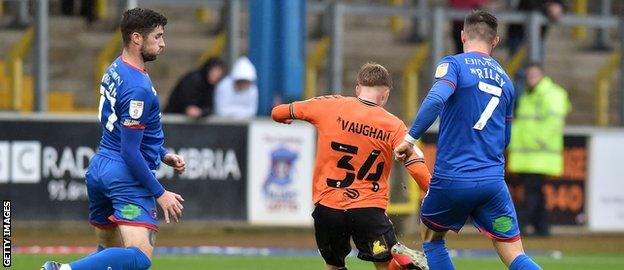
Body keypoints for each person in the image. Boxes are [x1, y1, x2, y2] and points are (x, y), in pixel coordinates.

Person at [394, 10, 542, 270]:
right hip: (492, 183)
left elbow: (436, 99)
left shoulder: (454, 64)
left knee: (432, 237)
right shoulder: (507, 81)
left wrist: (410, 137)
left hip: (453, 178)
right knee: (515, 255)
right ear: (495, 41)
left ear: (463, 36)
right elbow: (504, 138)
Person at [41, 8, 186, 270]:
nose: (163, 43)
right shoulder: (137, 87)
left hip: (100, 169)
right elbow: (130, 152)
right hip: (125, 175)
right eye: (158, 36)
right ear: (136, 38)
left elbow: (124, 131)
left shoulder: (116, 68)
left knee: (110, 253)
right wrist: (160, 193)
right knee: (139, 258)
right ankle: (63, 269)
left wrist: (162, 154)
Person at [272, 63, 431, 270]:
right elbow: (415, 163)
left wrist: (284, 117)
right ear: (385, 95)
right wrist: (430, 190)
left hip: (328, 207)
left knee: (334, 265)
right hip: (368, 210)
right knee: (384, 264)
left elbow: (278, 112)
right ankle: (401, 265)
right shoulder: (394, 125)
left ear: (358, 89)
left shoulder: (329, 105)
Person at [508, 63, 570, 237]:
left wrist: (538, 141)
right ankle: (543, 227)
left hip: (540, 155)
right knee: (537, 192)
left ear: (542, 75)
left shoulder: (553, 94)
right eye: (528, 75)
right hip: (528, 156)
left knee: (532, 192)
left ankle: (520, 226)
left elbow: (554, 123)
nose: (531, 79)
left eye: (534, 75)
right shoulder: (528, 95)